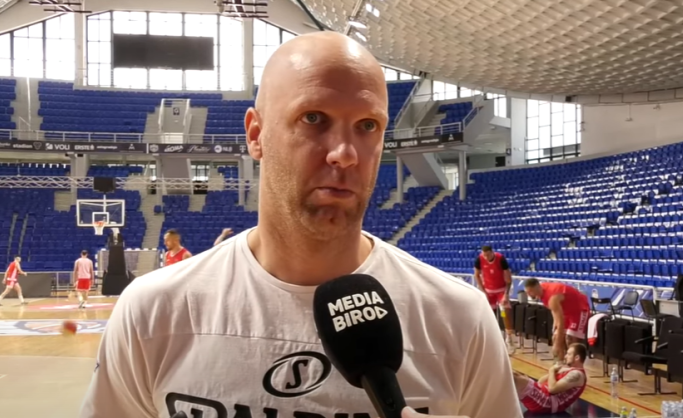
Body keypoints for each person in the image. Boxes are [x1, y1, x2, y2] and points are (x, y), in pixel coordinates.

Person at [80, 32, 520, 418]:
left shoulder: (460, 319)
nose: (345, 153)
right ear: (256, 134)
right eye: (313, 118)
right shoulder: (154, 310)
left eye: (367, 125)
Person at [524, 278, 590, 359]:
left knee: (571, 339)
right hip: (566, 311)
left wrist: (557, 344)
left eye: (530, 291)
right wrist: (555, 327)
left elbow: (560, 322)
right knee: (555, 338)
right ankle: (560, 363)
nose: (528, 294)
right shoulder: (542, 291)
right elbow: (554, 311)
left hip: (579, 309)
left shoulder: (553, 297)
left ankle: (574, 364)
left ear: (537, 287)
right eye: (527, 292)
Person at [514, 343, 588, 414]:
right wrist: (555, 372)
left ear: (577, 358)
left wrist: (552, 370)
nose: (565, 356)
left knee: (515, 378)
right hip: (542, 395)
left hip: (548, 402)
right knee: (516, 375)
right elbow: (540, 382)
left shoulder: (577, 374)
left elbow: (552, 389)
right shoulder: (568, 369)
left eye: (568, 354)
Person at [474, 245, 514, 352]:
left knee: (504, 311)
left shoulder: (500, 259)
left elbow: (509, 279)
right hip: (488, 291)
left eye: (488, 255)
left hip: (501, 290)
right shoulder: (479, 259)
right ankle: (493, 338)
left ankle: (509, 338)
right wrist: (483, 291)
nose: (486, 257)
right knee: (490, 314)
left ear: (492, 252)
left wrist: (506, 294)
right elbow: (476, 275)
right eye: (484, 255)